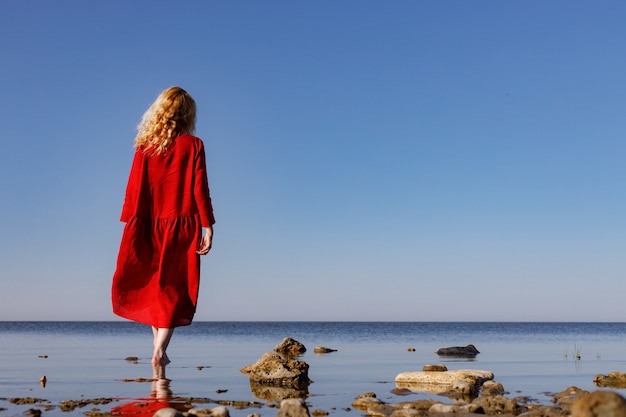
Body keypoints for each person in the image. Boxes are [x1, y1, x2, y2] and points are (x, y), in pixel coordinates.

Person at [112, 86, 215, 366]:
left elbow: (133, 187)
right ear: (187, 114)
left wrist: (130, 222)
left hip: (145, 223)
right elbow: (200, 190)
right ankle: (159, 352)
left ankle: (159, 350)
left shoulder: (144, 145)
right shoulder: (193, 145)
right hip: (182, 225)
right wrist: (208, 226)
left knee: (154, 286)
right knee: (173, 287)